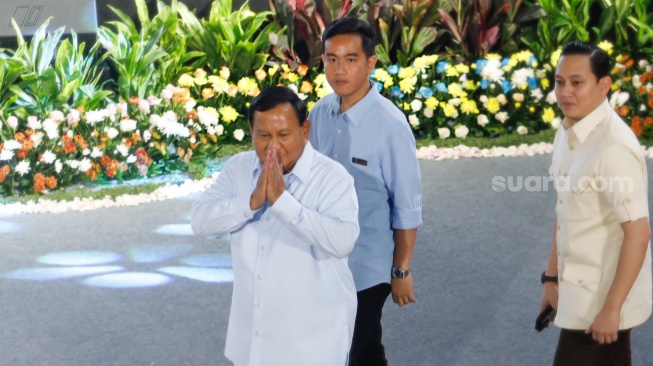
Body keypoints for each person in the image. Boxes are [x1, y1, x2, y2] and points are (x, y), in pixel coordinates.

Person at [190, 86, 360, 366]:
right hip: (251, 339)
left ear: (305, 130)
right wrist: (251, 202)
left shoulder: (332, 178)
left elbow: (342, 241)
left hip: (311, 344)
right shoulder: (239, 169)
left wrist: (282, 202)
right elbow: (200, 222)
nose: (272, 146)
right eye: (263, 135)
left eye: (283, 135)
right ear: (251, 131)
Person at [308, 17, 423, 365]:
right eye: (331, 59)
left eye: (351, 59)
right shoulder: (319, 113)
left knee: (347, 348)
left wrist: (401, 271)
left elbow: (407, 206)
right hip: (324, 257)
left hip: (367, 266)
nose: (339, 69)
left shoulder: (390, 125)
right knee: (365, 350)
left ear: (370, 63)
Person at [539, 40, 652, 366]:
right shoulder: (568, 131)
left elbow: (639, 234)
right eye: (560, 82)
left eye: (577, 83)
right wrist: (551, 278)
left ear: (604, 86)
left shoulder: (613, 148)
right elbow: (565, 208)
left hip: (603, 302)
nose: (565, 92)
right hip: (579, 292)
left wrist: (612, 309)